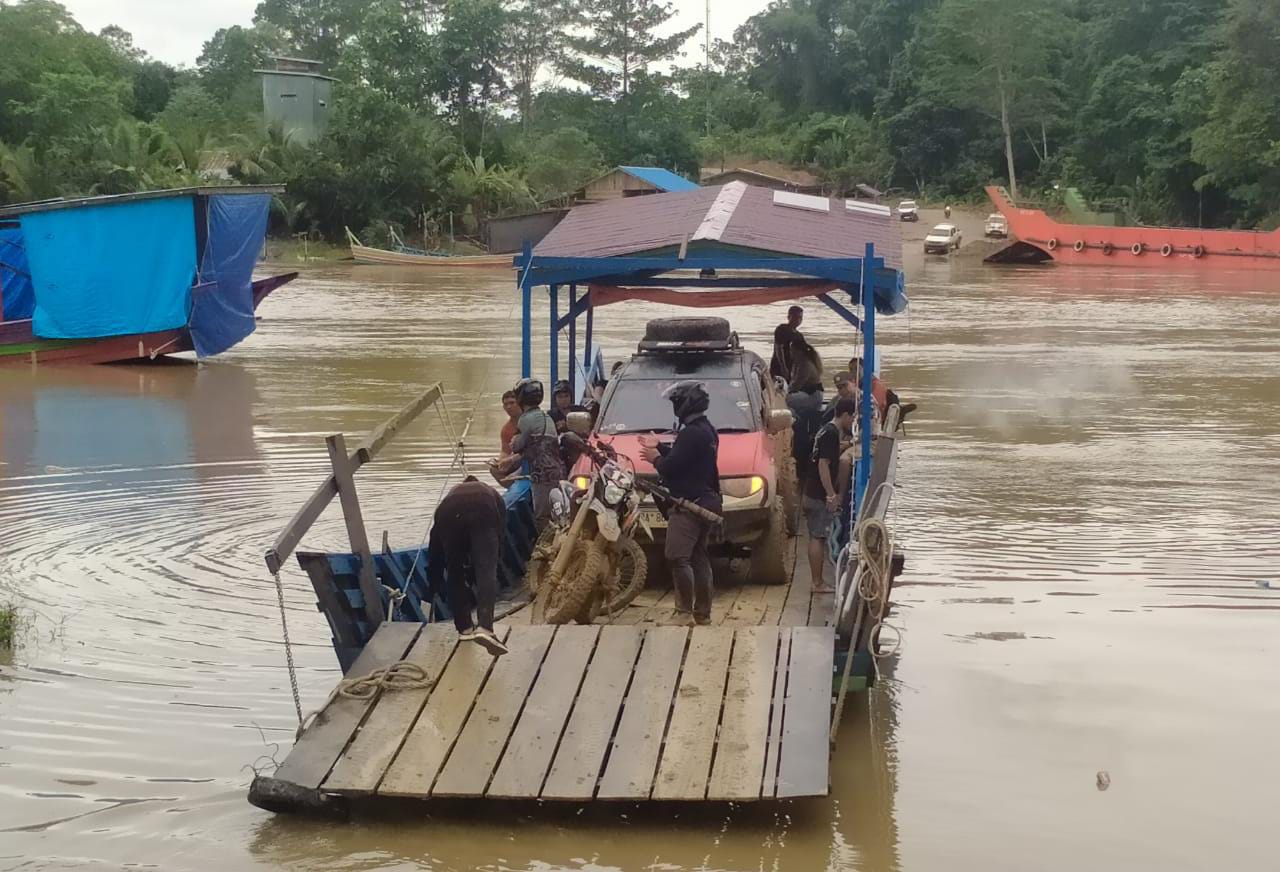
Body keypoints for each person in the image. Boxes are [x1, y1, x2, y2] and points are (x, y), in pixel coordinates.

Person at [638, 382, 721, 627]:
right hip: (708, 500)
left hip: (689, 504)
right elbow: (686, 457)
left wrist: (656, 459)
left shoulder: (690, 433)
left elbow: (671, 466)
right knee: (698, 557)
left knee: (677, 556)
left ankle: (683, 612)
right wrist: (661, 447)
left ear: (685, 405)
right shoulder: (707, 430)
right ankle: (703, 613)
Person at [426, 476, 509, 656]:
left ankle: (464, 628)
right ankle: (485, 627)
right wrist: (493, 560)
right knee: (486, 571)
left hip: (448, 513)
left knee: (454, 571)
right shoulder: (490, 493)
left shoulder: (448, 499)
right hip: (483, 510)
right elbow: (500, 536)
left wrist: (433, 585)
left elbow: (435, 552)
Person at [804, 398, 856, 593]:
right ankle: (817, 583)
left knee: (815, 536)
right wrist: (831, 494)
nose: (853, 422)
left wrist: (848, 444)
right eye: (853, 418)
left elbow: (827, 454)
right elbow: (823, 463)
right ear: (844, 415)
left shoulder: (826, 430)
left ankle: (817, 581)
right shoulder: (831, 434)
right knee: (817, 537)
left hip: (810, 491)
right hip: (818, 494)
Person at [509, 378, 564, 526]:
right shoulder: (547, 417)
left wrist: (514, 440)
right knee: (557, 511)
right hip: (557, 471)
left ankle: (546, 545)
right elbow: (540, 446)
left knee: (542, 516)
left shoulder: (525, 419)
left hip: (541, 474)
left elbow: (517, 446)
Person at [769, 306, 804, 382]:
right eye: (795, 317)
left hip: (792, 369)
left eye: (800, 318)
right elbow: (779, 348)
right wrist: (783, 367)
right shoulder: (782, 329)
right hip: (778, 367)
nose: (798, 320)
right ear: (789, 317)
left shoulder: (799, 336)